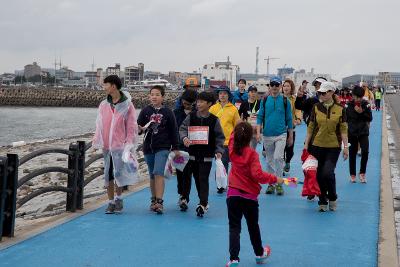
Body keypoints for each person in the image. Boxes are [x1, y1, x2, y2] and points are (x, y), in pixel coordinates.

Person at [225, 122, 284, 267]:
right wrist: (276, 178)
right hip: (249, 197)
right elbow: (258, 175)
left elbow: (232, 137)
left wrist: (238, 127)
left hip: (233, 194)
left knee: (234, 227)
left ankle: (233, 259)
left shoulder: (232, 150)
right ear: (249, 138)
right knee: (253, 226)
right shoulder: (252, 154)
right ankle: (259, 253)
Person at [93, 75, 138, 214]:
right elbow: (99, 124)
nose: (103, 87)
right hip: (107, 145)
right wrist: (97, 140)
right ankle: (110, 202)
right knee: (108, 174)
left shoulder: (127, 105)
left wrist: (129, 143)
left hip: (120, 146)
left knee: (119, 173)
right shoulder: (104, 104)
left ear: (113, 86)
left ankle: (119, 198)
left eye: (105, 84)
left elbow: (131, 126)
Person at [304, 82, 349, 212]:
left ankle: (333, 197)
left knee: (327, 172)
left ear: (331, 93)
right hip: (316, 146)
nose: (321, 94)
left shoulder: (341, 109)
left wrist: (345, 147)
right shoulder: (316, 108)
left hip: (333, 146)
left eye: (324, 92)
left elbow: (343, 129)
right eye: (320, 92)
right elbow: (311, 127)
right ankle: (322, 200)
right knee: (318, 175)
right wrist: (306, 145)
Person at [179, 92, 225, 216]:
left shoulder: (214, 120)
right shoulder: (191, 116)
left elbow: (219, 137)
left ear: (209, 104)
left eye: (201, 102)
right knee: (193, 178)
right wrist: (184, 138)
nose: (198, 104)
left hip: (207, 156)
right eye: (197, 101)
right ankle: (186, 198)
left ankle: (203, 203)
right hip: (191, 154)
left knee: (203, 178)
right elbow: (182, 128)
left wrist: (219, 151)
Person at [137, 85, 180, 214]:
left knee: (158, 172)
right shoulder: (145, 111)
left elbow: (174, 130)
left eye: (157, 94)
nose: (154, 97)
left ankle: (160, 202)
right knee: (152, 174)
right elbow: (139, 128)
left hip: (163, 147)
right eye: (152, 94)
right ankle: (153, 200)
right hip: (148, 147)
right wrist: (139, 129)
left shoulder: (168, 112)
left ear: (162, 97)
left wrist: (176, 147)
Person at [256, 76, 293, 196]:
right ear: (269, 86)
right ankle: (271, 184)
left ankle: (279, 184)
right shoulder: (265, 100)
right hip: (267, 134)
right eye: (272, 85)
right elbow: (260, 116)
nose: (275, 87)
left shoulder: (285, 101)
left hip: (281, 134)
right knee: (270, 160)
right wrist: (258, 133)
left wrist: (290, 136)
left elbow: (289, 119)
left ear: (280, 86)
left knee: (278, 158)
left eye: (277, 85)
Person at [210, 85, 240, 193]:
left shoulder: (233, 109)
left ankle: (228, 184)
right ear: (218, 95)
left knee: (227, 163)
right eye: (220, 93)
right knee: (220, 163)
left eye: (225, 93)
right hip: (217, 141)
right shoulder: (213, 108)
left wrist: (237, 139)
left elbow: (237, 125)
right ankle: (221, 185)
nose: (222, 95)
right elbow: (209, 123)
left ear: (228, 95)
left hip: (229, 141)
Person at [173, 89, 198, 208]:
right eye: (184, 102)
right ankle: (181, 193)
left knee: (187, 173)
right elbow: (172, 129)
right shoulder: (176, 112)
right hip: (179, 147)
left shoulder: (198, 113)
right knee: (179, 172)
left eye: (188, 104)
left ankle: (184, 197)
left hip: (193, 148)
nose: (186, 105)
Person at [346, 85, 373, 183]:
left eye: (360, 97)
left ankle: (362, 173)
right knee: (352, 154)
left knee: (365, 151)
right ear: (353, 95)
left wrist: (362, 112)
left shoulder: (366, 104)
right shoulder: (348, 105)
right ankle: (352, 174)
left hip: (363, 132)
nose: (358, 99)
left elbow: (370, 118)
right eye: (356, 96)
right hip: (352, 132)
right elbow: (345, 119)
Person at [282, 79, 302, 173]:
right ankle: (280, 167)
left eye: (288, 86)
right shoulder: (279, 98)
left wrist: (298, 119)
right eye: (284, 86)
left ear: (291, 88)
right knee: (280, 149)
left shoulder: (294, 99)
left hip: (291, 127)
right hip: (280, 127)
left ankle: (288, 161)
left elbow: (298, 110)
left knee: (290, 149)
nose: (286, 88)